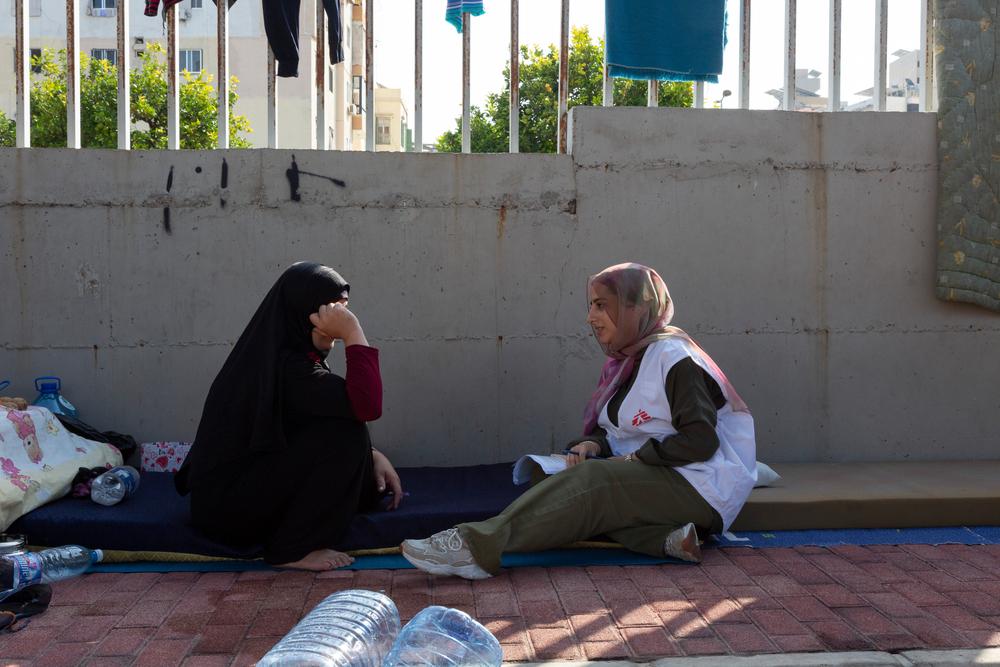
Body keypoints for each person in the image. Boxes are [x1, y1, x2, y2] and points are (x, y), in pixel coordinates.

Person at [401, 262, 756, 579]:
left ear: (635, 308)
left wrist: (631, 460)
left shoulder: (674, 357)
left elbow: (700, 441)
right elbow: (622, 431)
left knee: (593, 480)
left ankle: (475, 545)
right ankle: (663, 539)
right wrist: (594, 444)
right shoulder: (627, 361)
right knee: (558, 476)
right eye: (591, 306)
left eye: (602, 306)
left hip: (702, 487)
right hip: (664, 479)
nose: (590, 317)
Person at [175, 262, 403, 571]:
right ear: (303, 310)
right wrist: (353, 332)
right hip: (227, 512)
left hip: (233, 497)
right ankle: (291, 549)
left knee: (350, 441)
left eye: (344, 310)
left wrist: (372, 456)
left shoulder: (287, 354)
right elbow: (367, 405)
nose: (340, 318)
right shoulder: (289, 367)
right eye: (332, 309)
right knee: (345, 435)